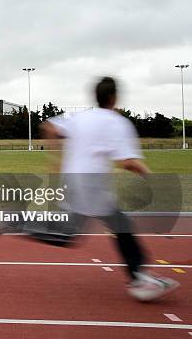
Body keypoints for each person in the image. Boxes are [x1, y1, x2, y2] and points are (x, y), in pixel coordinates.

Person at [29, 76, 179, 301]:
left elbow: (48, 126)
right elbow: (128, 162)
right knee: (119, 226)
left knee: (71, 233)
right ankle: (140, 278)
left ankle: (140, 276)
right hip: (90, 185)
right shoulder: (116, 122)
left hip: (74, 182)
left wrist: (56, 161)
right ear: (114, 97)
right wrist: (154, 179)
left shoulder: (81, 115)